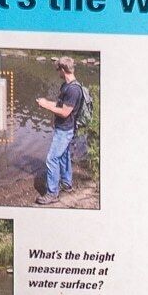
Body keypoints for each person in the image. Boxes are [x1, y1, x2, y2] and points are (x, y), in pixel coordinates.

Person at [35, 56, 88, 203]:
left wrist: (46, 106)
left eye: (58, 69)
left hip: (65, 130)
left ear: (63, 69)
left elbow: (65, 112)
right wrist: (46, 102)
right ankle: (66, 183)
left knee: (52, 159)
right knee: (63, 156)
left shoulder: (73, 90)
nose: (57, 72)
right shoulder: (66, 86)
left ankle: (52, 194)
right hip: (62, 128)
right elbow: (60, 105)